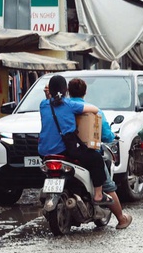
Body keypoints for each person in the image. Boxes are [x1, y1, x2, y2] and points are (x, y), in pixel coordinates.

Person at [68, 78, 132, 229]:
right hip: (89, 154)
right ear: (85, 92)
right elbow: (106, 135)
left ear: (68, 92)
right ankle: (121, 219)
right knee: (108, 186)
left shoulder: (63, 109)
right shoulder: (93, 110)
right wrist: (112, 137)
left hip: (67, 153)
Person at [39, 75, 110, 207]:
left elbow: (51, 104)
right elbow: (94, 110)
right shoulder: (70, 105)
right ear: (65, 90)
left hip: (44, 151)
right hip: (66, 149)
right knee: (96, 159)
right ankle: (99, 194)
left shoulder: (43, 105)